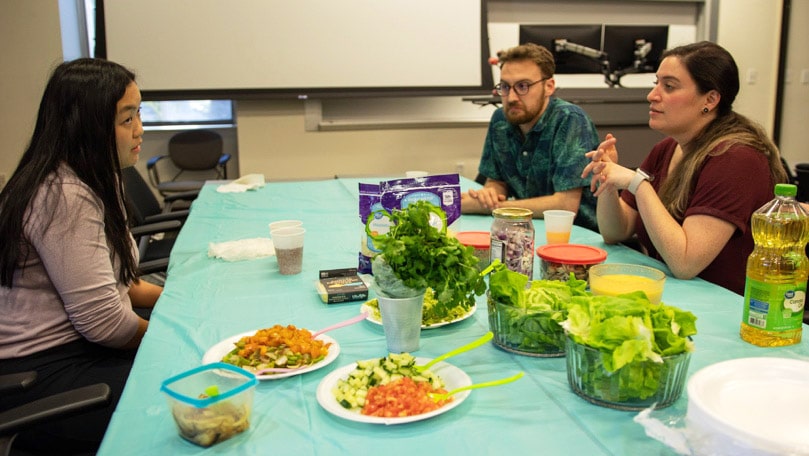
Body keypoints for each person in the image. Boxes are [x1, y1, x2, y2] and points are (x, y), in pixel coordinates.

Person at [0, 58, 162, 453]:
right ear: (87, 126)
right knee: (190, 398)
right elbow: (107, 325)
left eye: (138, 114)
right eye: (127, 120)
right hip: (42, 373)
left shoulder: (91, 177)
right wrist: (174, 337)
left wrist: (186, 305)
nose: (140, 129)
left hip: (74, 350)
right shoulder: (64, 196)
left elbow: (123, 286)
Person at [582, 41, 787, 295]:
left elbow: (685, 263)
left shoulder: (737, 159)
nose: (652, 95)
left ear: (710, 99)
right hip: (679, 294)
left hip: (727, 308)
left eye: (669, 86)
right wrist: (608, 179)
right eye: (655, 83)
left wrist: (637, 184)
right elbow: (616, 231)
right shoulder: (667, 149)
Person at [462, 43, 600, 232]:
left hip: (579, 236)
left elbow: (565, 205)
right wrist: (489, 196)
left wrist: (496, 208)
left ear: (549, 86)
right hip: (527, 230)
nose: (511, 97)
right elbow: (497, 181)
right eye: (504, 86)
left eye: (523, 86)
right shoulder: (501, 120)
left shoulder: (569, 120)